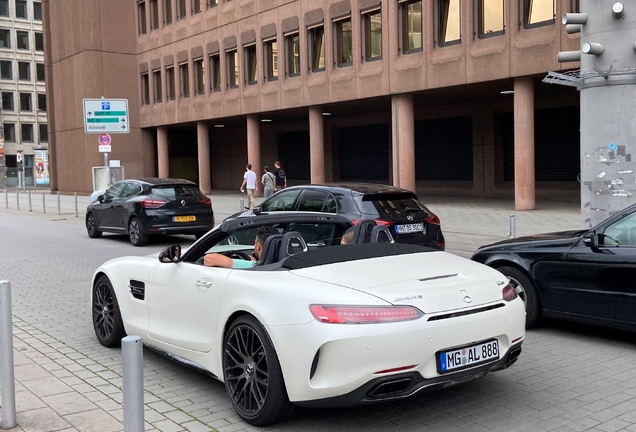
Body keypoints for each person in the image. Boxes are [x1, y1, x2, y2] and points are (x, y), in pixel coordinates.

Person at [203, 226, 279, 268]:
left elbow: (208, 259)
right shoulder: (283, 262)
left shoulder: (252, 265)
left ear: (258, 246)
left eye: (255, 243)